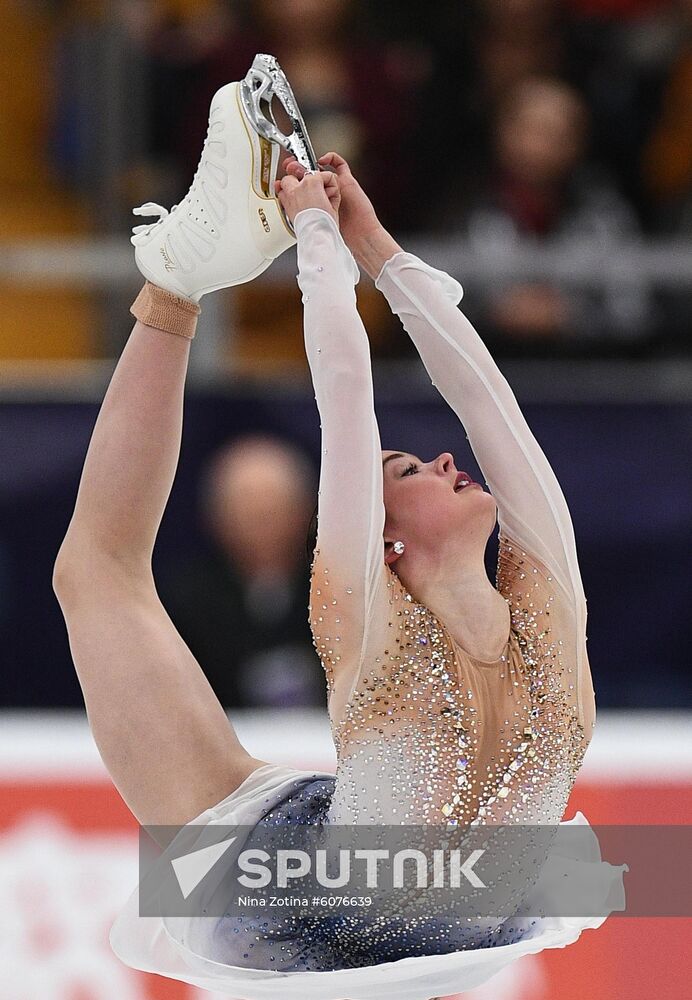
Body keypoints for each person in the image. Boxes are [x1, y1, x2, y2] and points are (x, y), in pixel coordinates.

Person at [52, 73, 626, 998]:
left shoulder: (549, 612)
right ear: (384, 545)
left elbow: (490, 403)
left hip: (410, 897)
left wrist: (371, 245)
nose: (444, 461)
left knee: (95, 573)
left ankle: (180, 275)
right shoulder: (368, 622)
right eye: (409, 473)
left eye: (421, 464)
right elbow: (344, 398)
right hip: (297, 896)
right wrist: (311, 236)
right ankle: (177, 285)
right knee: (96, 572)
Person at [160, 435, 322, 708]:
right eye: (248, 514)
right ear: (218, 520)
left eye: (272, 512)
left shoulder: (338, 589)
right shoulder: (188, 598)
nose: (261, 528)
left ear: (302, 514)